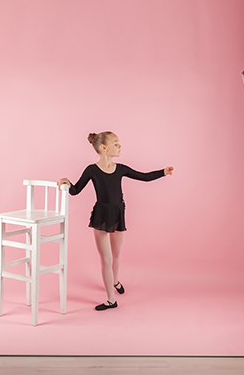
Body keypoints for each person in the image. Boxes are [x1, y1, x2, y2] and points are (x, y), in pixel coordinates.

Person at [57, 131, 173, 311]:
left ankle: (115, 280)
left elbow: (144, 176)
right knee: (106, 259)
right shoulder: (92, 170)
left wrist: (163, 172)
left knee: (116, 254)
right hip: (102, 215)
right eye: (116, 144)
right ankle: (111, 299)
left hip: (118, 212)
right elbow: (75, 190)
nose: (120, 146)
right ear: (104, 148)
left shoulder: (120, 169)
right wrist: (66, 183)